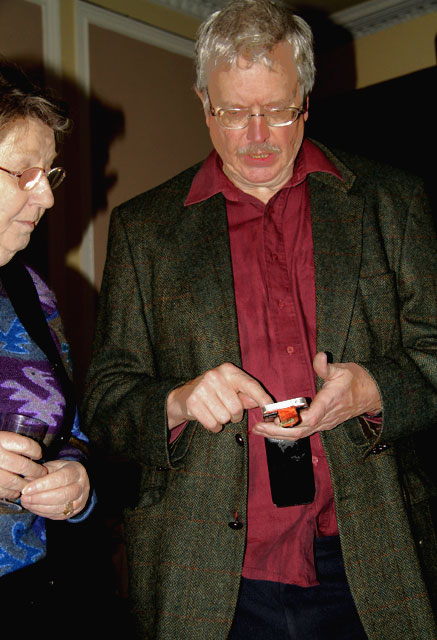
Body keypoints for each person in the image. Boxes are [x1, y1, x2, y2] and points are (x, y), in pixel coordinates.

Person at [83, 1, 437, 638]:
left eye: (276, 110)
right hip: (208, 576)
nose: (256, 136)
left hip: (373, 560)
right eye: (233, 112)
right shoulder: (145, 230)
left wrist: (373, 390)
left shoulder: (393, 201)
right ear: (203, 102)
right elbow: (108, 402)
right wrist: (178, 400)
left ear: (305, 99)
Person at [0, 60, 92, 611]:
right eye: (23, 173)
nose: (49, 198)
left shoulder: (32, 292)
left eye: (49, 173)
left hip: (33, 591)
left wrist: (78, 481)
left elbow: (72, 428)